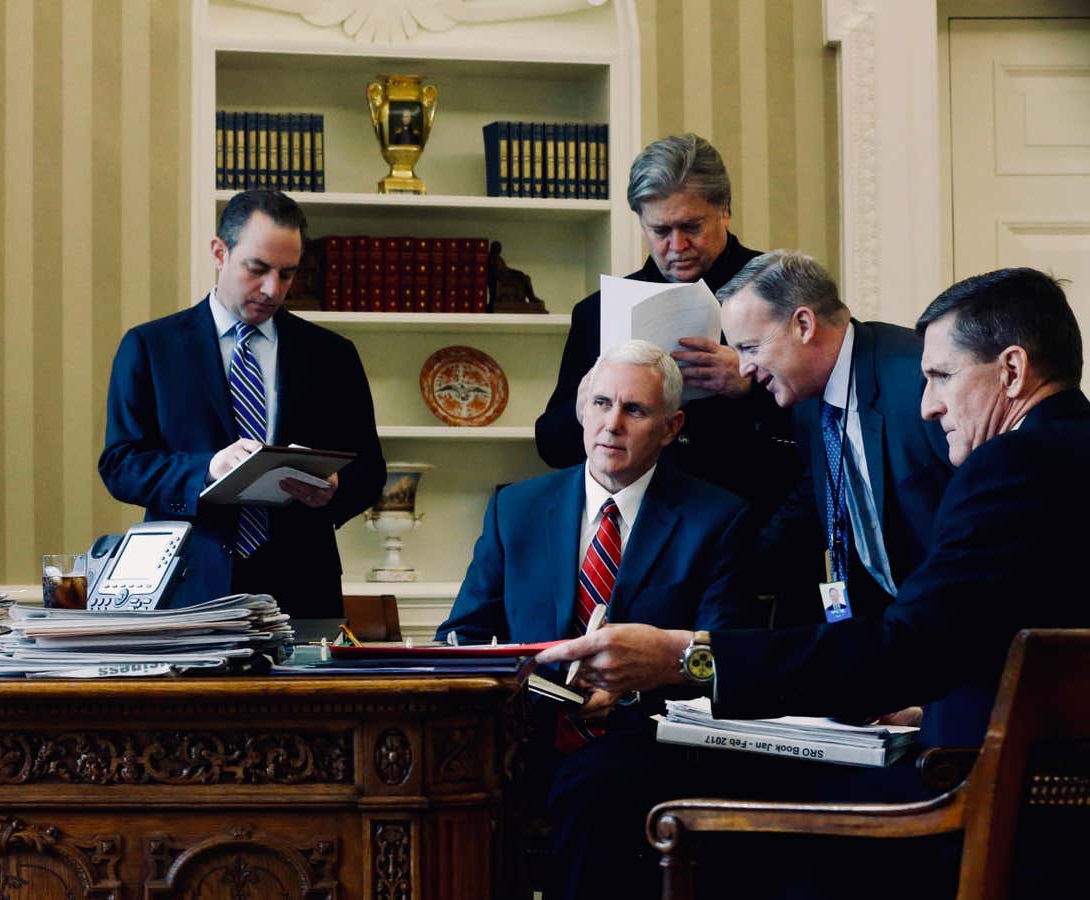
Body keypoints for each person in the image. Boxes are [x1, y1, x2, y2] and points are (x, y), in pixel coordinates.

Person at [540, 267, 1090, 898]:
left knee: (642, 791)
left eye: (940, 376)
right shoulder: (1063, 451)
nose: (928, 403)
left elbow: (908, 643)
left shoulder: (1009, 466)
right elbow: (983, 630)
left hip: (972, 796)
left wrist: (684, 656)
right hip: (1016, 773)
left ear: (1013, 371)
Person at [438, 339, 760, 900]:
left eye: (634, 410)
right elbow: (462, 634)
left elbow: (722, 658)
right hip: (524, 732)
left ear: (670, 426)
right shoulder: (516, 508)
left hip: (649, 740)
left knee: (593, 786)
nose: (612, 423)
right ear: (581, 409)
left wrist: (636, 685)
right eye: (602, 403)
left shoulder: (718, 518)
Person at [99, 190, 385, 617]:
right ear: (219, 252)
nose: (272, 289)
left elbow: (371, 470)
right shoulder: (151, 347)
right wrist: (208, 469)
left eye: (287, 274)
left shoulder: (333, 355)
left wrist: (336, 489)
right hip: (185, 587)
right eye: (258, 269)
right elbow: (120, 465)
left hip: (303, 590)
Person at [535, 134, 797, 526]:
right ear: (641, 221)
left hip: (758, 523)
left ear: (724, 209)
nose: (677, 246)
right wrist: (587, 406)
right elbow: (552, 446)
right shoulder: (597, 312)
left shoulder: (785, 289)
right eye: (659, 231)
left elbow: (838, 420)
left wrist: (750, 387)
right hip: (638, 534)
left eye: (691, 227)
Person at [720, 250, 952, 621]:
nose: (744, 368)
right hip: (888, 625)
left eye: (749, 347)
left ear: (803, 325)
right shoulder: (807, 395)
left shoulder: (918, 378)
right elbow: (818, 494)